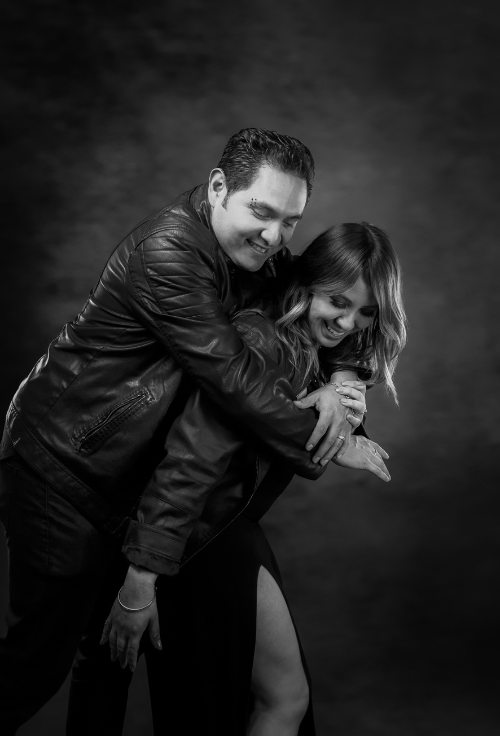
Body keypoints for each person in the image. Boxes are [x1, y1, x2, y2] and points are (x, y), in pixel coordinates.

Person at [0, 129, 366, 735]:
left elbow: (322, 295)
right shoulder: (167, 253)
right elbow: (234, 382)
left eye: (290, 221)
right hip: (61, 464)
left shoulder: (260, 254)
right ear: (219, 188)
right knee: (34, 663)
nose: (274, 236)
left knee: (108, 657)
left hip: (123, 477)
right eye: (261, 212)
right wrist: (330, 439)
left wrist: (342, 374)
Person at [93, 222, 406, 735]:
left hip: (227, 532)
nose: (349, 323)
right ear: (307, 285)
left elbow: (343, 347)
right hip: (195, 540)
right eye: (338, 302)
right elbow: (190, 459)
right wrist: (141, 579)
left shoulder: (308, 340)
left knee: (282, 698)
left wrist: (341, 379)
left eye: (366, 312)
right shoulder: (260, 341)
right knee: (248, 706)